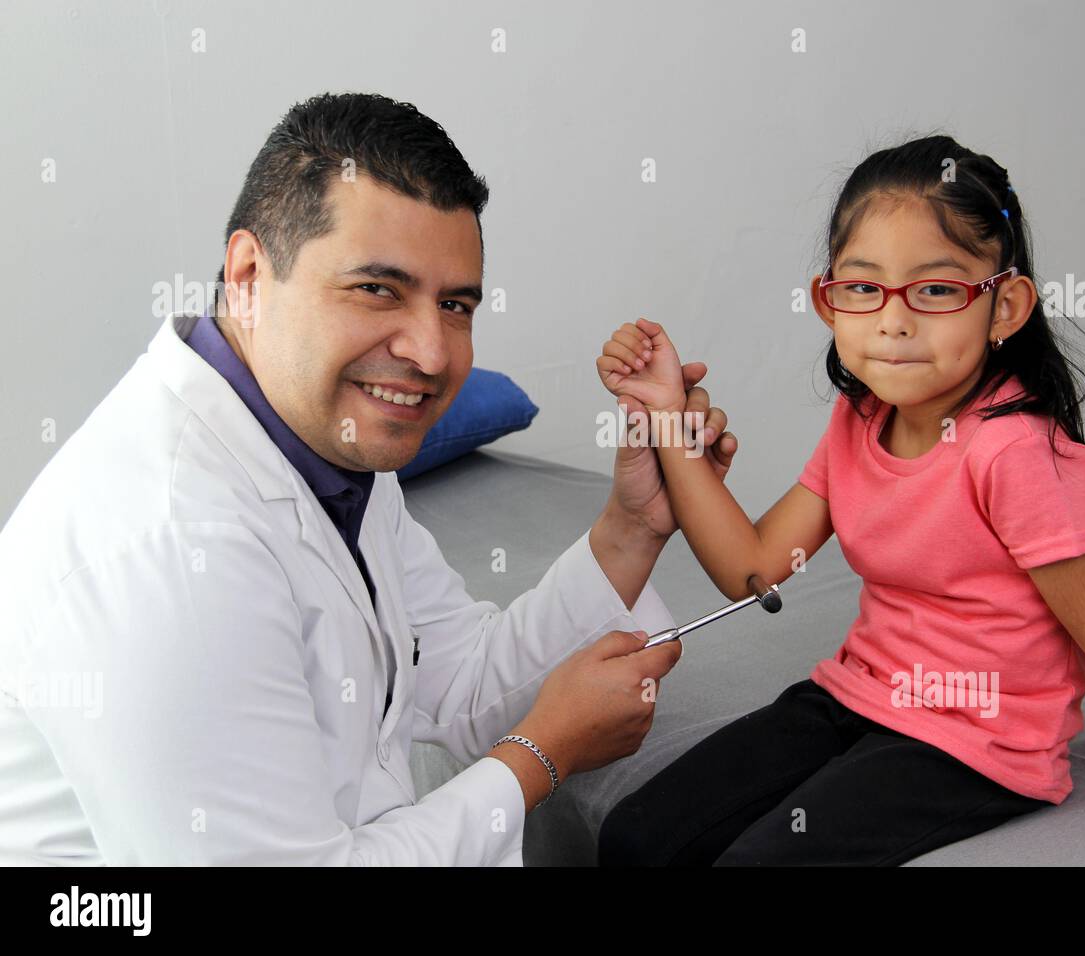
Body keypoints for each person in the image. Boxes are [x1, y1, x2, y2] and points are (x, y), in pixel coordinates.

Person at [0, 92, 741, 865]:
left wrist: (631, 527)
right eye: (377, 289)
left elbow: (458, 682)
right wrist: (542, 754)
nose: (430, 352)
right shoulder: (172, 547)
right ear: (249, 273)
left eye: (454, 304)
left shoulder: (326, 444)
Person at [594, 134, 1085, 865]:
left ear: (1005, 307)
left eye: (936, 289)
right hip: (854, 698)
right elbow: (755, 569)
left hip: (976, 741)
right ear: (827, 302)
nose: (894, 320)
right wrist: (669, 417)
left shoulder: (1014, 454)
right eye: (864, 288)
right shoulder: (860, 418)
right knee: (636, 835)